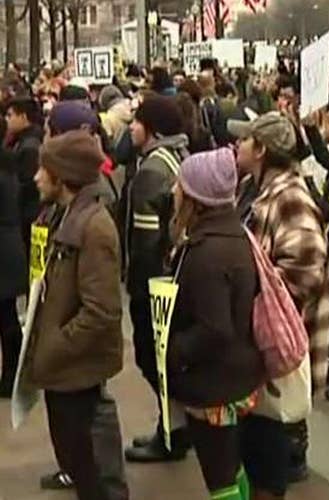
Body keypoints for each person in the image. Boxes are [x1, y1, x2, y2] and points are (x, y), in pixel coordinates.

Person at [230, 112, 329, 498]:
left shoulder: (289, 196)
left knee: (267, 438)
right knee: (256, 435)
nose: (237, 145)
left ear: (262, 149)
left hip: (275, 343)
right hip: (258, 341)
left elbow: (306, 266)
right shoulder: (252, 187)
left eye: (245, 140)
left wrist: (259, 299)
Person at [20, 130, 124, 500]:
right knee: (79, 463)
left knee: (94, 471)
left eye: (42, 170)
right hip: (64, 372)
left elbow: (102, 311)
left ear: (62, 177)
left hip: (77, 370)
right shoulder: (60, 215)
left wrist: (54, 345)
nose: (35, 177)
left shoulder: (94, 228)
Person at [167, 148, 264, 500]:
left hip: (213, 381)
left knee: (219, 474)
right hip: (233, 373)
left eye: (180, 185)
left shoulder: (207, 252)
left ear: (196, 197)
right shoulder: (231, 235)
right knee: (229, 465)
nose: (174, 191)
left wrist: (173, 351)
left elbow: (214, 328)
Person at [123, 95, 192, 463]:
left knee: (152, 358)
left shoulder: (152, 171)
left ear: (152, 129)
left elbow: (146, 241)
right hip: (174, 276)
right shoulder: (174, 157)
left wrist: (139, 288)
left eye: (137, 122)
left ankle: (172, 433)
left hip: (154, 283)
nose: (130, 127)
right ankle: (175, 427)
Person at [0, 120, 27, 398]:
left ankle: (11, 376)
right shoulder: (8, 164)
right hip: (9, 246)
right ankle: (12, 374)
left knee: (7, 318)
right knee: (6, 315)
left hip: (3, 250)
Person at [4, 96, 43, 250]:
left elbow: (26, 184)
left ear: (23, 117)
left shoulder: (29, 147)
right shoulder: (20, 141)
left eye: (10, 115)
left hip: (27, 216)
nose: (7, 120)